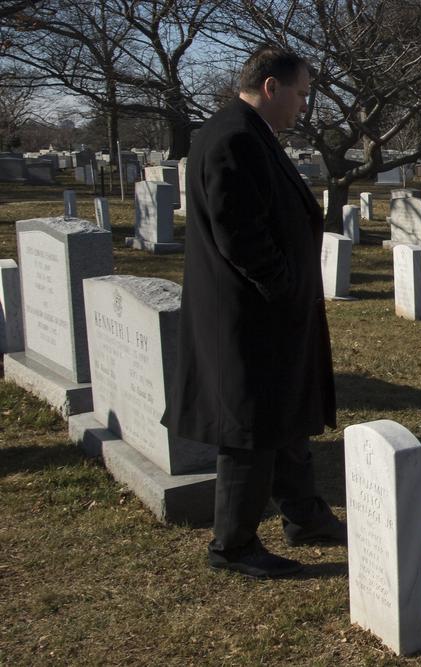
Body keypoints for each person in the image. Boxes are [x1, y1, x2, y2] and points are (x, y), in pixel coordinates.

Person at [163, 46, 343, 579]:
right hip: (248, 317)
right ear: (272, 87)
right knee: (251, 430)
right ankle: (234, 546)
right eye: (302, 94)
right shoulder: (234, 138)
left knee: (286, 416)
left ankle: (303, 515)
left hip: (271, 314)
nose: (304, 106)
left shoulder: (248, 132)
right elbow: (238, 231)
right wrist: (284, 288)